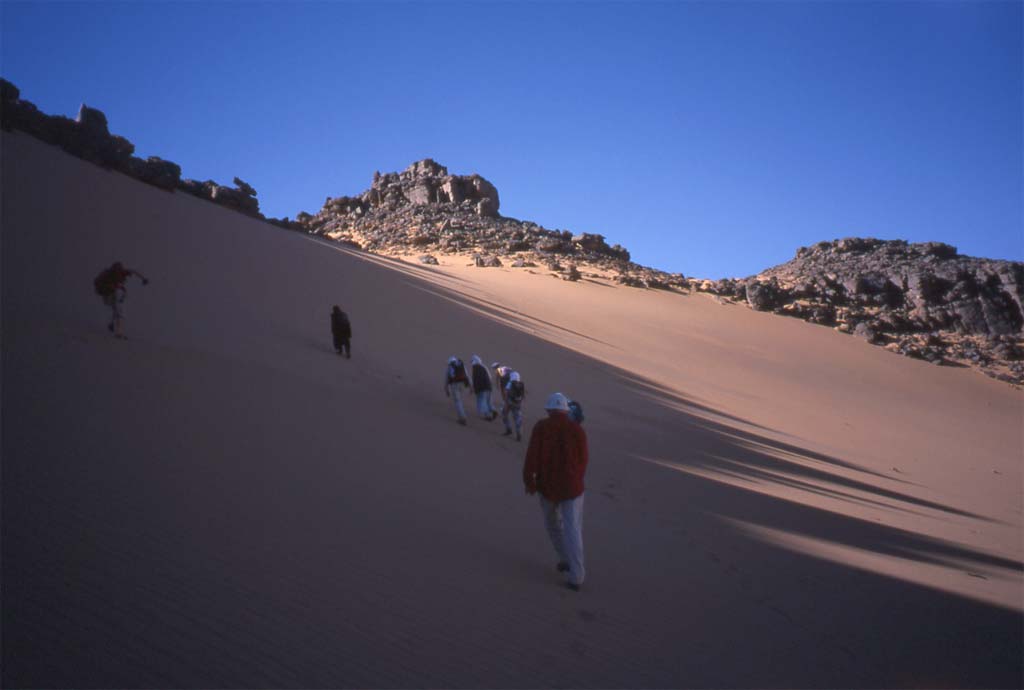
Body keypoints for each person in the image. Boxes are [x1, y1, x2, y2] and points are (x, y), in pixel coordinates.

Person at [523, 392, 589, 592]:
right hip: (573, 488)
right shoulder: (577, 430)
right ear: (566, 410)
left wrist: (529, 482)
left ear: (549, 410)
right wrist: (577, 478)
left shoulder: (541, 427)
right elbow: (583, 459)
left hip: (548, 487)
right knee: (573, 530)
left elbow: (531, 457)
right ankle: (576, 575)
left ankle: (565, 559)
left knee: (553, 525)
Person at [93, 261, 149, 340]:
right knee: (118, 311)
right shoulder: (109, 276)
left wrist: (143, 279)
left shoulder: (119, 273)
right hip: (107, 295)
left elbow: (133, 271)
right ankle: (118, 332)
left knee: (117, 309)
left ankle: (112, 325)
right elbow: (107, 286)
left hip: (111, 295)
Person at [444, 356, 471, 425]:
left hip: (454, 385)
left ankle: (462, 417)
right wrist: (470, 386)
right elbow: (466, 375)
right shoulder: (461, 365)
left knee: (458, 401)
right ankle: (462, 416)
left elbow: (447, 379)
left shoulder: (450, 367)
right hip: (462, 384)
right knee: (460, 400)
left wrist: (446, 389)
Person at [470, 355, 498, 421]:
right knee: (488, 401)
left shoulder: (475, 368)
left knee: (482, 402)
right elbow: (490, 377)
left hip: (482, 388)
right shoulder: (484, 367)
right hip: (488, 386)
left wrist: (474, 388)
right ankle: (493, 410)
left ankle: (488, 416)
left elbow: (475, 379)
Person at [502, 371, 526, 441]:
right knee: (517, 419)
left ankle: (508, 429)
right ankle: (519, 434)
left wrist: (506, 402)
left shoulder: (510, 383)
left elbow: (506, 392)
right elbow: (523, 395)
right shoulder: (521, 384)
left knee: (504, 415)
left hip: (509, 402)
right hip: (517, 403)